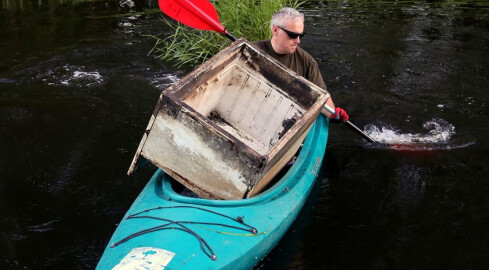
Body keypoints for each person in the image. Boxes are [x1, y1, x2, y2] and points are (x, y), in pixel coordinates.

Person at [254, 7, 349, 122]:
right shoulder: (250, 51)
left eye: (301, 35)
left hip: (286, 120)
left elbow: (320, 98)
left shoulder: (307, 62)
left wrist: (333, 113)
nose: (298, 41)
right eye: (293, 35)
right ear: (275, 30)